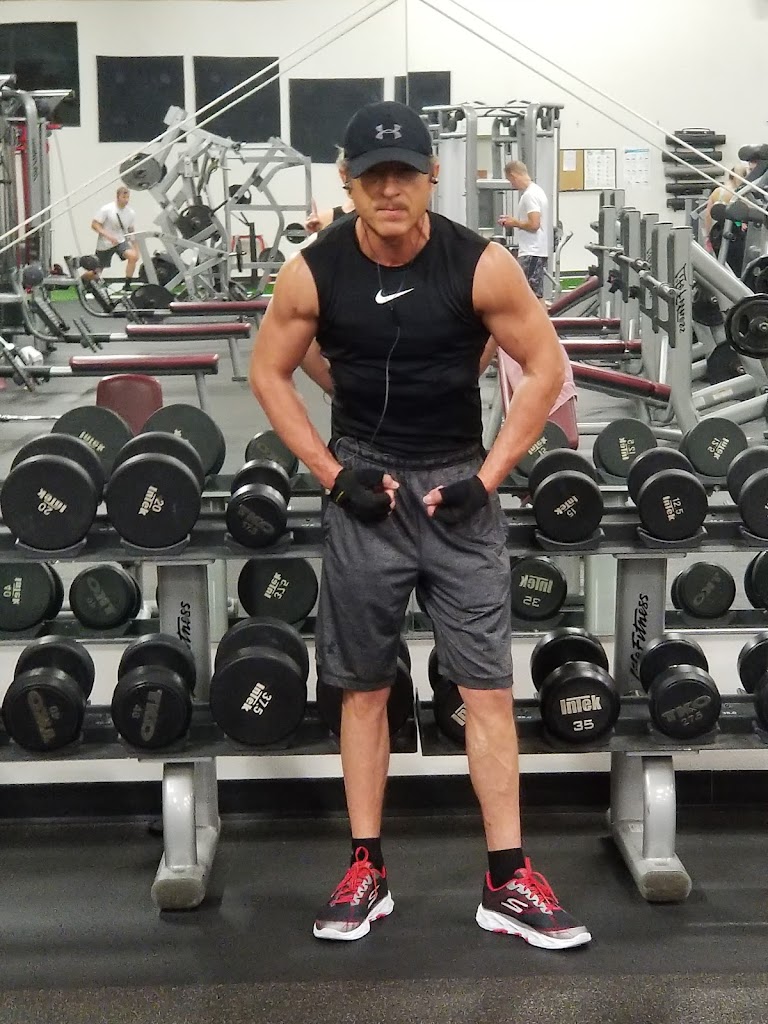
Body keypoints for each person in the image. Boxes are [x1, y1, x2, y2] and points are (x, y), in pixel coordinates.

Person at [250, 100, 590, 951]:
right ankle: (366, 868)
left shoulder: (482, 264)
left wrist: (486, 481)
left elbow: (546, 365)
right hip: (366, 486)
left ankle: (508, 879)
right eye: (373, 175)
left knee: (487, 688)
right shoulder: (313, 271)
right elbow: (268, 372)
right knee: (364, 687)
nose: (390, 188)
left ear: (433, 174)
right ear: (347, 180)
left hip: (458, 489)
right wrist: (335, 477)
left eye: (405, 171)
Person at [498, 160, 550, 308]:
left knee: (529, 296)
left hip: (531, 251)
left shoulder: (529, 195)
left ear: (514, 175)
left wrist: (514, 222)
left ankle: (538, 323)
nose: (512, 185)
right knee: (535, 295)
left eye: (510, 181)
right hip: (535, 251)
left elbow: (534, 224)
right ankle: (542, 322)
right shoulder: (537, 191)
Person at [90, 186, 139, 290]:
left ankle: (127, 284)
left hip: (120, 241)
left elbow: (131, 230)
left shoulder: (130, 213)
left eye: (127, 197)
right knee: (96, 271)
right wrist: (108, 236)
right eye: (124, 197)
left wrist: (136, 248)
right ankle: (85, 281)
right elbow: (94, 224)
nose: (126, 200)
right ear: (118, 197)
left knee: (133, 257)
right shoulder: (107, 209)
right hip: (105, 243)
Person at [704, 165, 747, 255]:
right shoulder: (739, 194)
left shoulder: (717, 191)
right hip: (734, 233)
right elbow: (743, 218)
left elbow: (708, 215)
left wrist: (708, 236)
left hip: (717, 231)